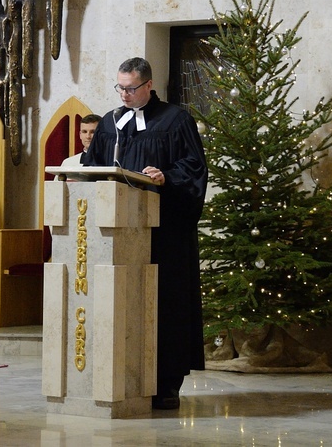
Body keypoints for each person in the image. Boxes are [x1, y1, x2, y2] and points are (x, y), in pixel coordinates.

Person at [85, 57, 208, 410]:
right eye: (120, 87)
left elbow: (194, 168)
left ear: (148, 85)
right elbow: (94, 169)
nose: (124, 94)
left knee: (163, 304)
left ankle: (166, 383)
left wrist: (165, 176)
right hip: (120, 233)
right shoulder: (110, 123)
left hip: (164, 233)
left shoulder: (176, 120)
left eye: (131, 88)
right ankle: (120, 377)